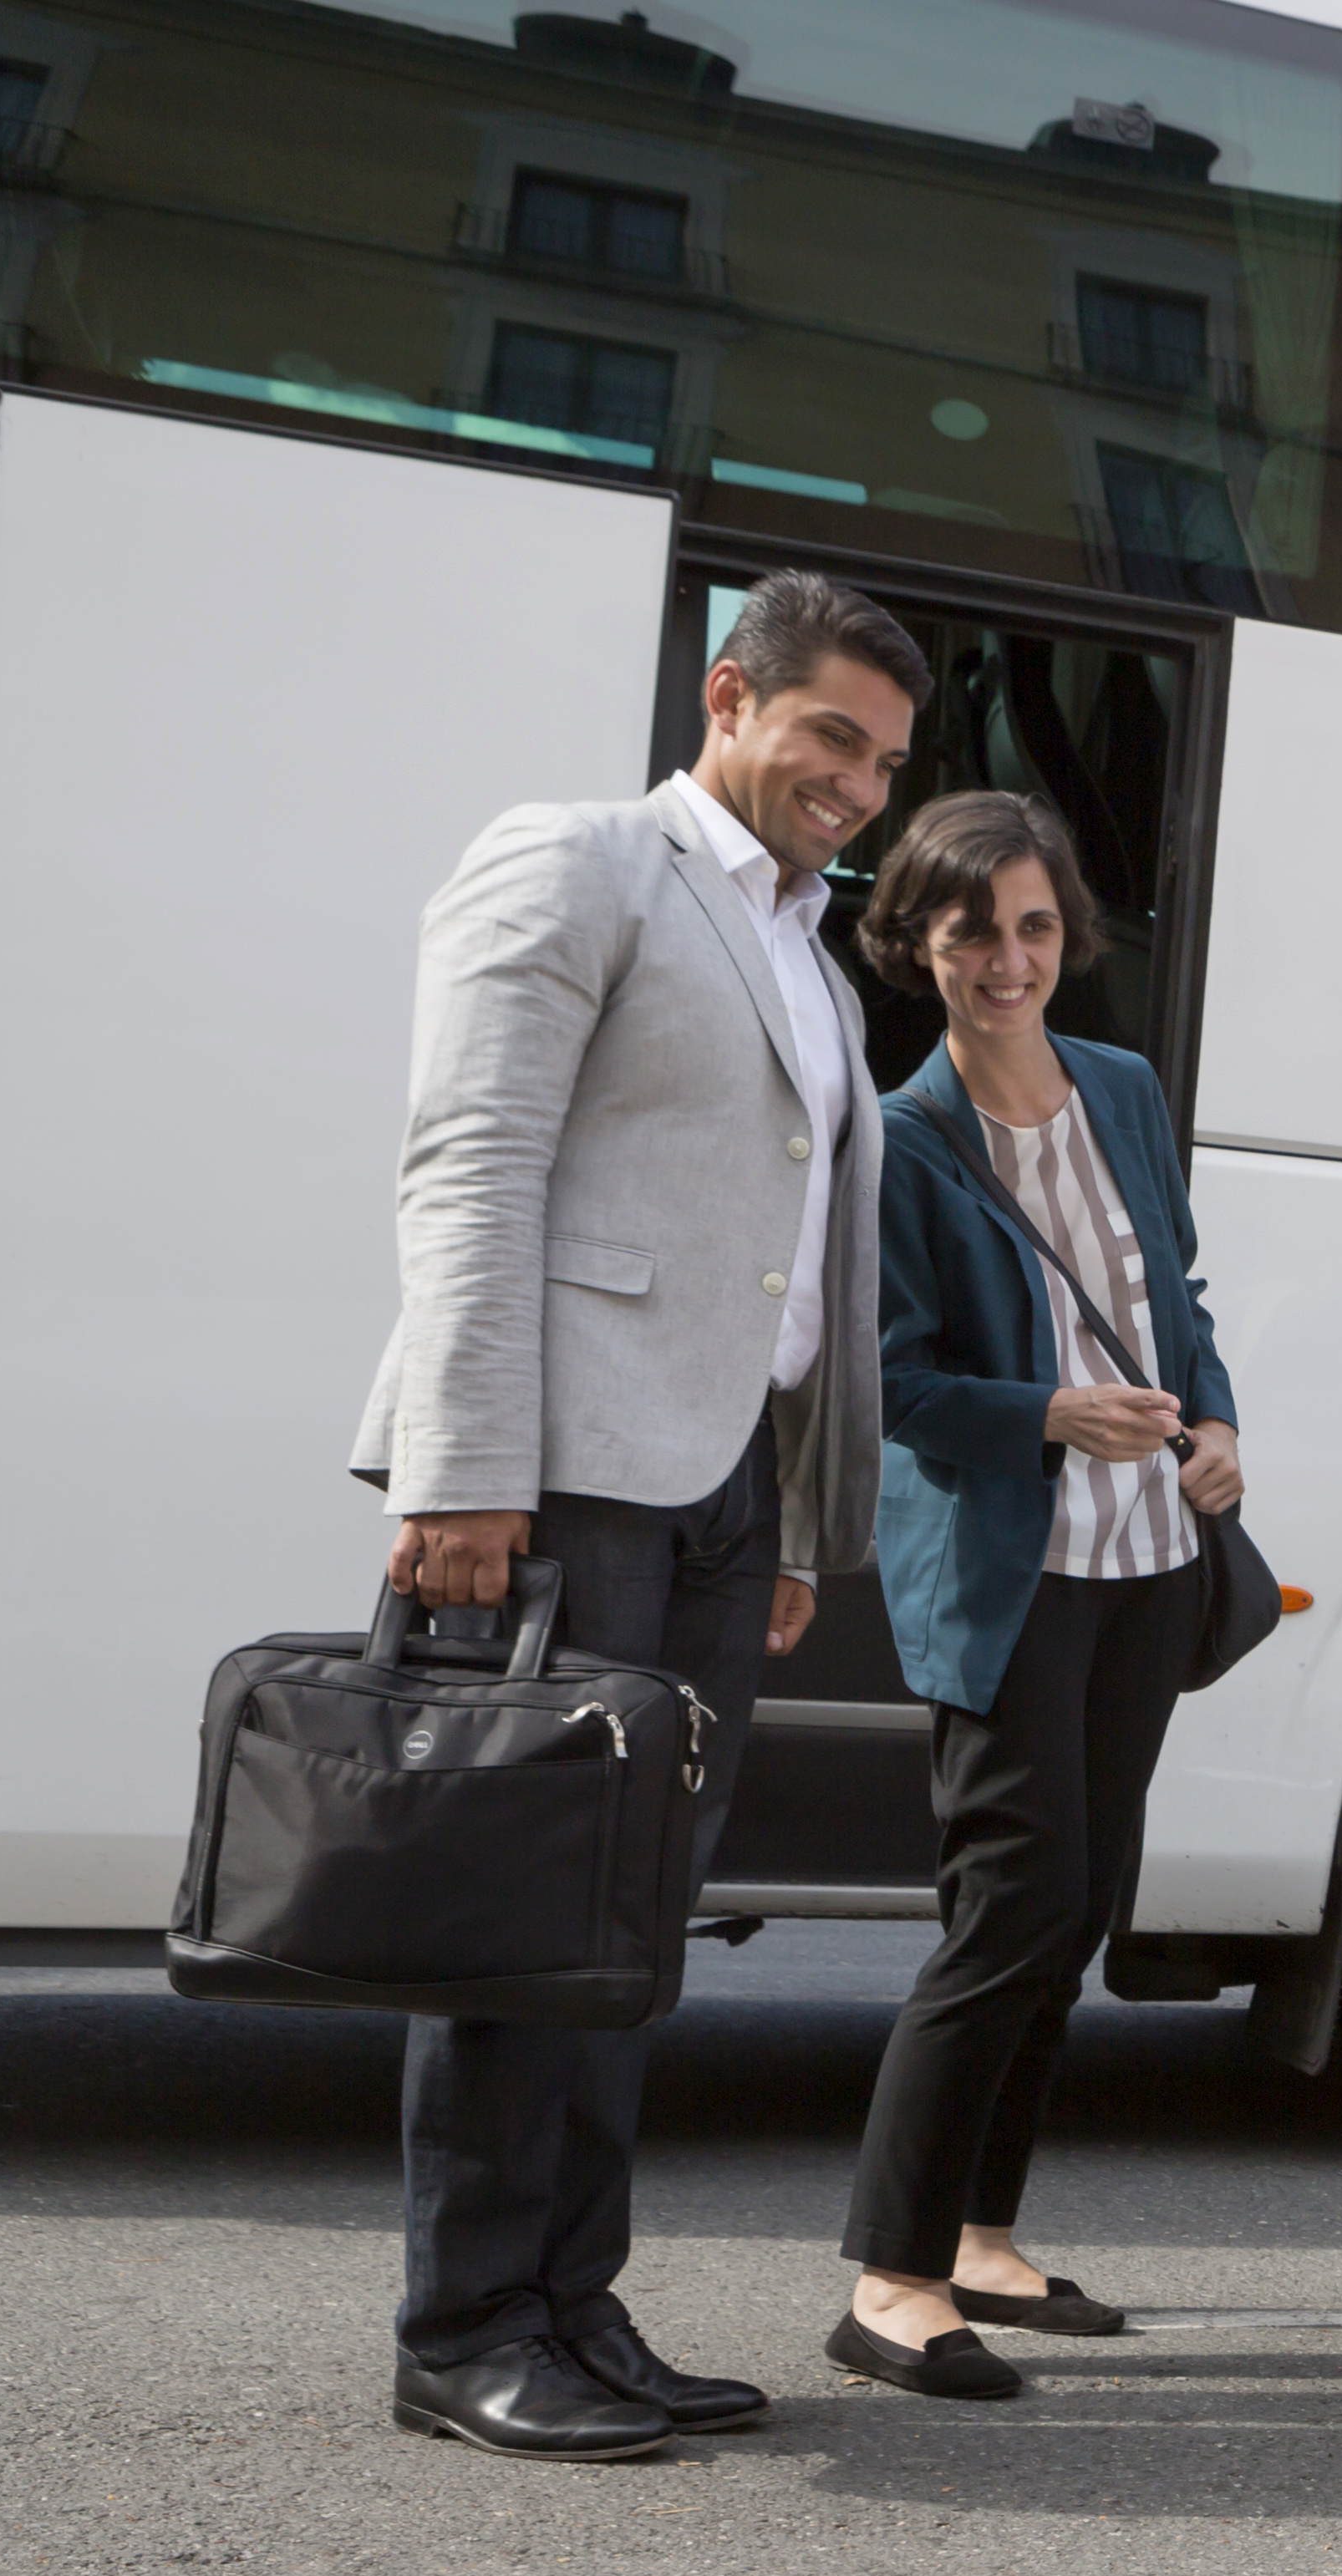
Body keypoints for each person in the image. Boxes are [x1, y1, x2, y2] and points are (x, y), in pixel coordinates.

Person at [358, 568, 924, 2460]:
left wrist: (792, 1528)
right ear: (729, 698)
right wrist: (463, 1472)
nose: (857, 784)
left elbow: (795, 1254)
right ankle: (464, 2327)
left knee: (637, 1922)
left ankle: (574, 2307)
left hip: (720, 1493)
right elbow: (473, 1160)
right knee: (524, 1911)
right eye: (831, 735)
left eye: (887, 761)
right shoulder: (582, 860)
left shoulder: (817, 957)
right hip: (564, 1475)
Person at [827, 792, 1243, 2400]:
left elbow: (1174, 1293)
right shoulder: (901, 1139)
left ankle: (983, 2238)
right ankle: (888, 2280)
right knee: (1005, 1918)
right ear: (914, 945)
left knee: (1071, 1916)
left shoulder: (1121, 1088)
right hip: (1014, 1577)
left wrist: (1215, 1423)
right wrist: (1051, 1415)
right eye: (971, 932)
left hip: (1146, 1567)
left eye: (1035, 926)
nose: (1008, 960)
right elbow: (891, 1381)